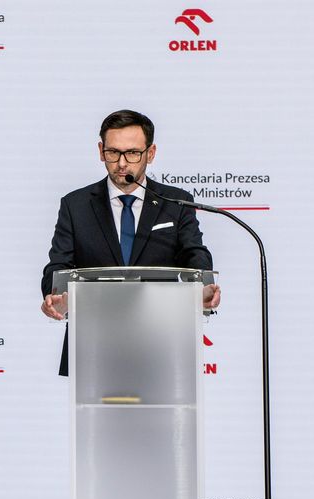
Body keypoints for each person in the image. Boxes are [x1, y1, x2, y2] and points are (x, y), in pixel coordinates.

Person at [40, 109, 221, 375]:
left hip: (163, 341)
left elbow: (194, 254)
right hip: (93, 345)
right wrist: (55, 296)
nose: (122, 163)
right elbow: (57, 266)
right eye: (113, 152)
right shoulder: (75, 205)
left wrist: (203, 287)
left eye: (133, 153)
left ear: (151, 153)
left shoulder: (176, 202)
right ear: (101, 151)